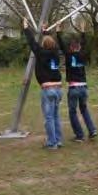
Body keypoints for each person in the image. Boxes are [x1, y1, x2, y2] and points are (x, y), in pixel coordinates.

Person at [23, 18, 63, 149]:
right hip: (58, 88)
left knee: (49, 118)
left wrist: (25, 27)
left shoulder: (41, 53)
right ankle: (58, 140)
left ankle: (52, 143)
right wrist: (45, 31)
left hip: (48, 89)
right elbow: (51, 43)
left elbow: (32, 42)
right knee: (56, 116)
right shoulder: (56, 53)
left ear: (44, 46)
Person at [56, 20, 97, 142]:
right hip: (84, 87)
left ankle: (79, 135)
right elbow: (84, 44)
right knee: (84, 109)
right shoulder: (83, 55)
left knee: (73, 112)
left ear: (70, 48)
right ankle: (92, 130)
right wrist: (83, 31)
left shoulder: (68, 56)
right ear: (78, 48)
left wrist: (58, 31)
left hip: (74, 88)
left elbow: (62, 45)